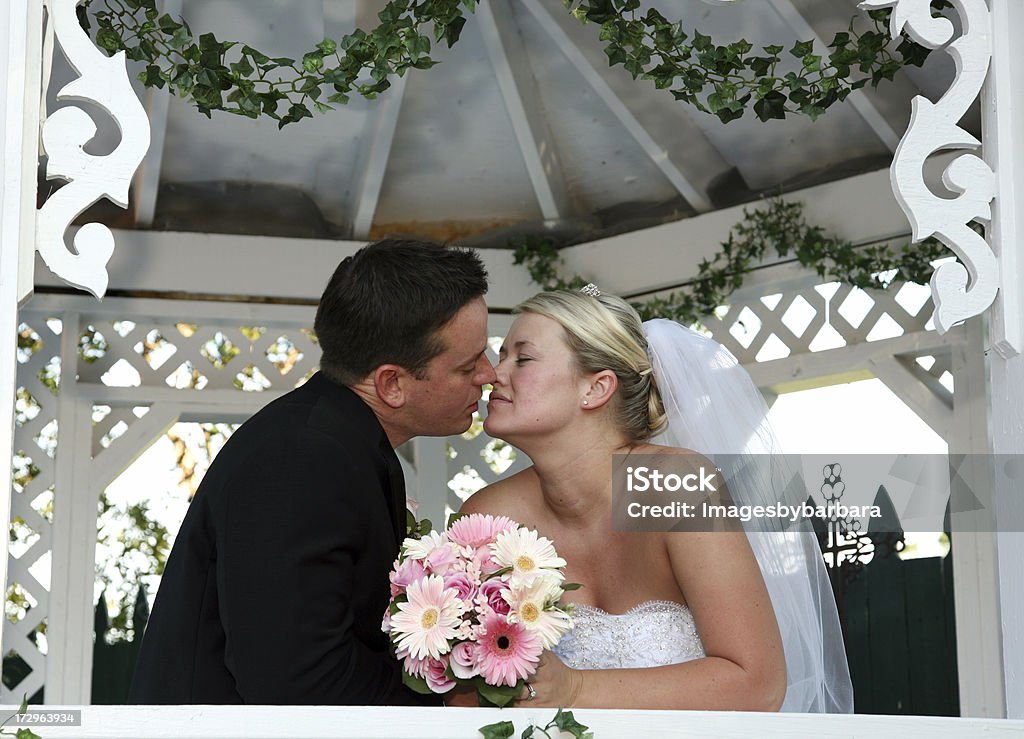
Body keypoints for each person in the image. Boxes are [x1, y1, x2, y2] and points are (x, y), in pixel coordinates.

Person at [129, 238, 497, 705]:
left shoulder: (338, 443)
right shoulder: (302, 458)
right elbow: (299, 680)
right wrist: (448, 704)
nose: (489, 373)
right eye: (468, 364)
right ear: (393, 383)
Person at [459, 286, 852, 712]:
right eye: (502, 357)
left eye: (524, 358)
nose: (493, 375)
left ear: (596, 387)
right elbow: (462, 691)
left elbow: (757, 684)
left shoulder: (676, 485)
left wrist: (575, 690)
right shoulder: (487, 517)